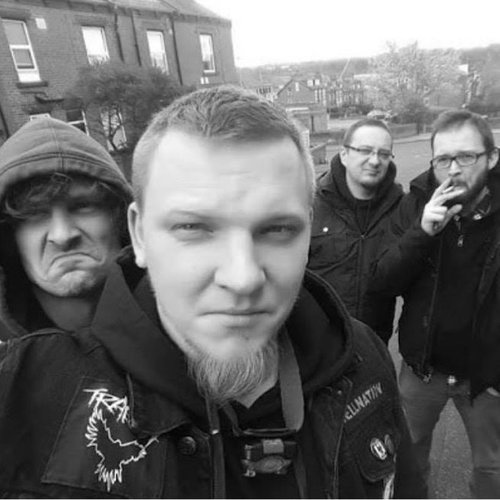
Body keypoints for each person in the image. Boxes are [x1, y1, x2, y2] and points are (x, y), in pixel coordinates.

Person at [0, 86, 424, 498]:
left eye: (277, 229)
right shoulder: (23, 393)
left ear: (309, 229)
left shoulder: (363, 358)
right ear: (139, 234)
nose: (243, 278)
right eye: (193, 227)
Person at [370, 109, 500, 498]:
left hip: (488, 378)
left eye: (466, 157)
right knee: (407, 461)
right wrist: (422, 232)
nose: (453, 170)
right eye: (443, 159)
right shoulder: (414, 205)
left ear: (492, 157)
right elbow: (383, 281)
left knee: (492, 469)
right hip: (422, 371)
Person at [0, 117, 132, 338]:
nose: (62, 236)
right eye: (35, 213)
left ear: (122, 218)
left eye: (83, 206)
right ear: (9, 239)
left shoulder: (183, 325)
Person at [308, 119, 403, 343]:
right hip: (317, 341)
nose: (375, 161)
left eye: (383, 154)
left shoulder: (401, 208)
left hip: (373, 342)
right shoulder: (310, 203)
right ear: (344, 154)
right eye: (365, 151)